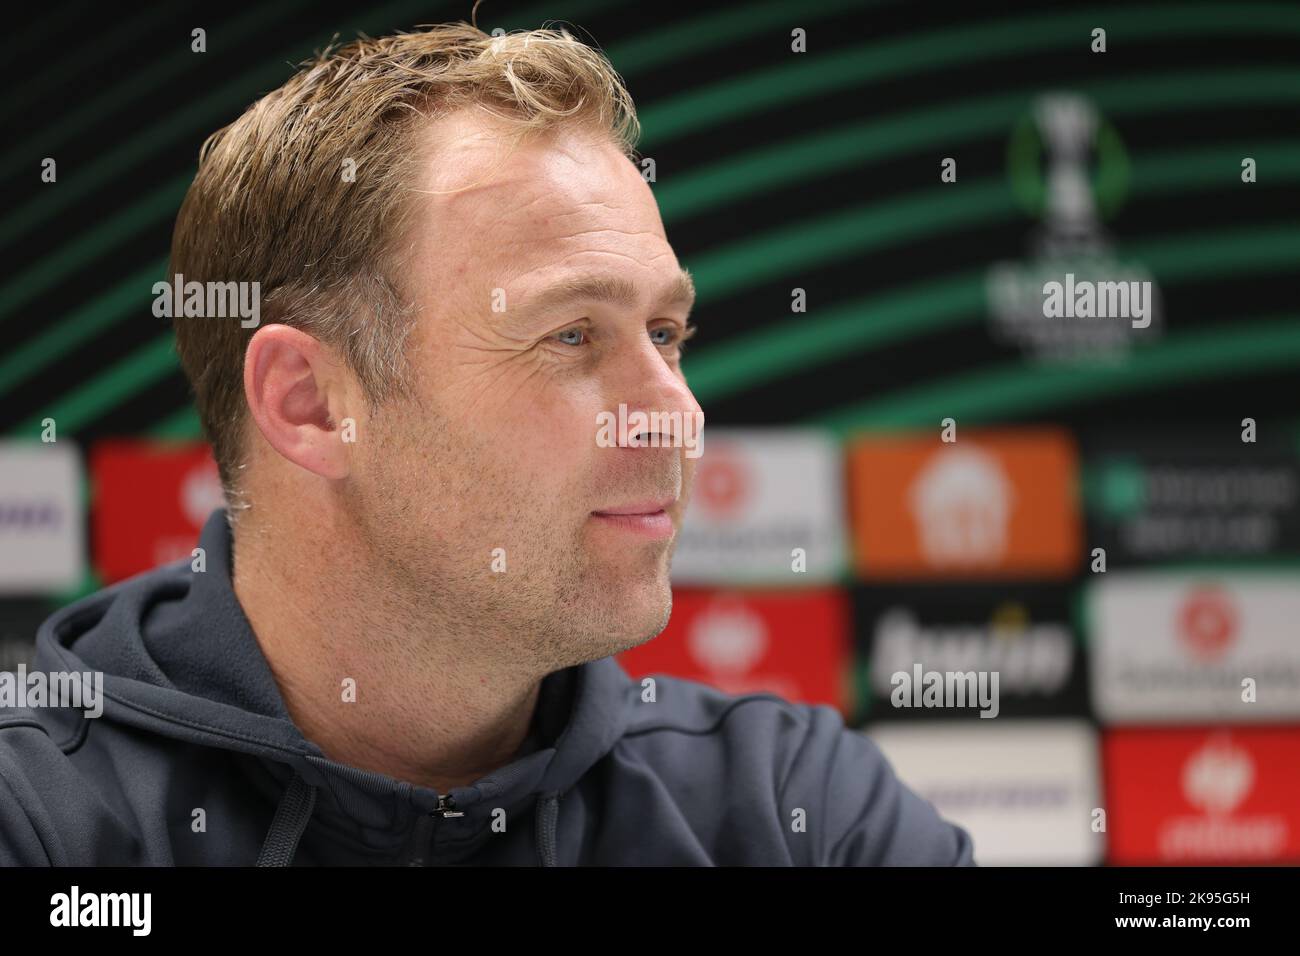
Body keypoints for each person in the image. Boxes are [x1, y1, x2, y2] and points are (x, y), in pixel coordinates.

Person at [0, 23, 974, 866]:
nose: (676, 414)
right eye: (571, 335)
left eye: (667, 333)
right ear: (308, 403)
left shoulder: (788, 807)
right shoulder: (39, 818)